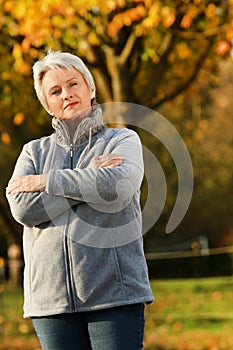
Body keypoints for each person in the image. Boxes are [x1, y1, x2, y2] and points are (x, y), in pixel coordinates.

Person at [6, 50, 154, 350]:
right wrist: (88, 179)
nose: (67, 95)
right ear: (47, 104)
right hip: (51, 303)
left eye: (73, 84)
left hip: (116, 296)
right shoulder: (32, 152)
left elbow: (117, 186)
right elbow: (23, 208)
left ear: (91, 88)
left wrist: (47, 181)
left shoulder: (122, 140)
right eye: (56, 91)